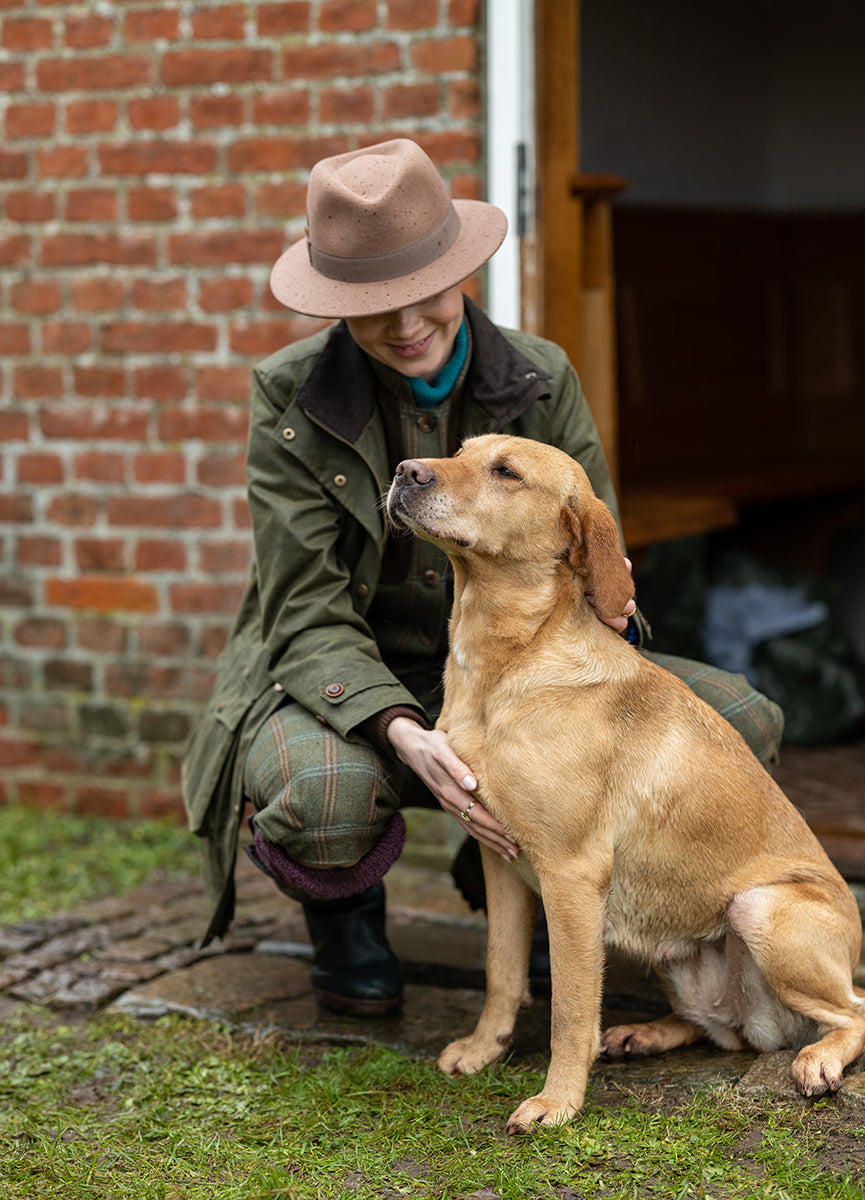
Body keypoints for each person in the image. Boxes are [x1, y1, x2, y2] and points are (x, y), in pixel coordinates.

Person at [182, 138, 783, 1017]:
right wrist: (403, 729)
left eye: (421, 290)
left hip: (522, 664)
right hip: (345, 670)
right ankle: (347, 920)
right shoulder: (289, 397)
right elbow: (304, 608)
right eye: (368, 303)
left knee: (740, 717)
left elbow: (593, 546)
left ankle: (533, 884)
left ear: (456, 267)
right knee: (322, 799)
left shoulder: (539, 375)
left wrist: (576, 686)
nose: (403, 323)